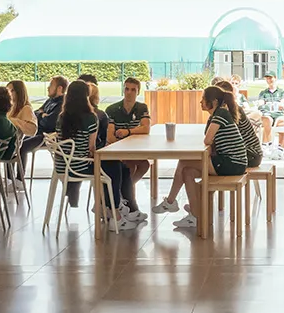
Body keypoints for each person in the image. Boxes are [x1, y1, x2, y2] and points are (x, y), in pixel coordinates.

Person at [157, 84, 248, 234]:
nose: (201, 102)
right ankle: (194, 214)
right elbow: (209, 140)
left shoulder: (221, 114)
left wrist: (209, 143)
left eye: (203, 99)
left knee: (183, 162)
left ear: (214, 101)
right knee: (187, 171)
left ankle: (172, 202)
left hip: (232, 163)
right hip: (230, 161)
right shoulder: (216, 115)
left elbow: (207, 139)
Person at [55, 78, 111, 214]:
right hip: (80, 167)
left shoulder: (61, 117)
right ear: (87, 96)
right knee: (114, 169)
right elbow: (91, 148)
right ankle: (108, 207)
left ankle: (106, 207)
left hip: (61, 166)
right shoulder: (91, 118)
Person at [103, 77, 152, 221]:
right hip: (118, 150)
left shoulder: (141, 107)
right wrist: (122, 144)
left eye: (133, 90)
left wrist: (128, 131)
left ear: (138, 92)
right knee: (129, 165)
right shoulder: (112, 109)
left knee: (144, 164)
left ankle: (123, 190)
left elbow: (146, 128)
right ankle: (130, 205)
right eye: (127, 89)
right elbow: (110, 136)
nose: (129, 92)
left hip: (135, 148)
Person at [6, 78, 40, 177]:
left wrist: (13, 121)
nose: (9, 93)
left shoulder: (26, 109)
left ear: (19, 92)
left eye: (12, 90)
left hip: (13, 145)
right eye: (8, 91)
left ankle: (17, 178)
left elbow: (32, 130)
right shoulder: (10, 107)